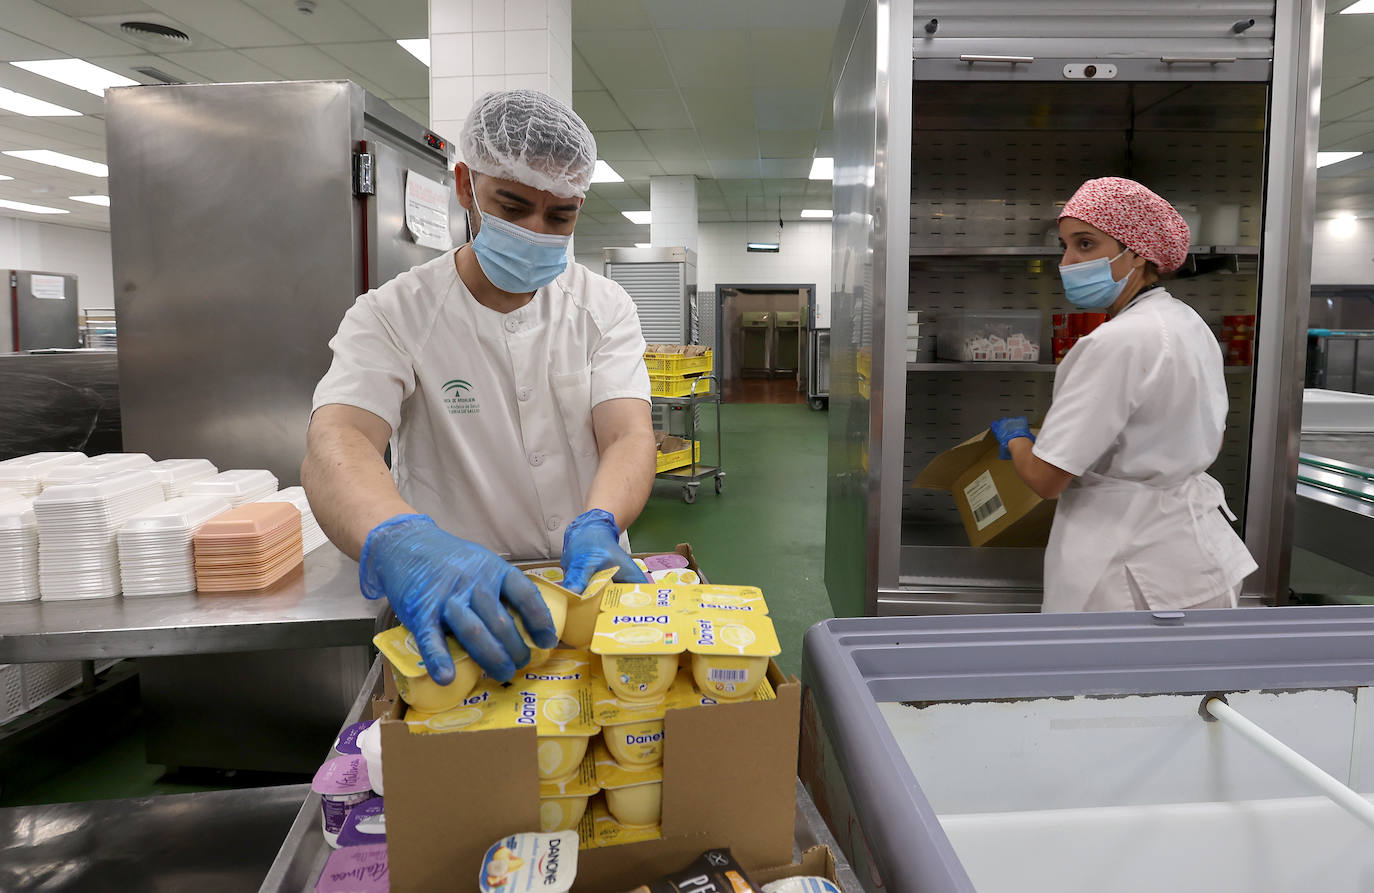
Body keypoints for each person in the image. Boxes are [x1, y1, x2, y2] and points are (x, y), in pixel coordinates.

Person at [302, 90, 655, 683]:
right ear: (465, 186)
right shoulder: (393, 313)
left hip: (587, 590)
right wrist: (399, 541)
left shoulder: (603, 306)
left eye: (560, 216)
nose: (537, 232)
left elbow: (627, 433)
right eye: (513, 208)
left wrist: (599, 520)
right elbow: (338, 438)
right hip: (457, 595)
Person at [989, 177, 1257, 613]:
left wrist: (1016, 439)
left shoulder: (1114, 342)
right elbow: (1208, 435)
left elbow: (1045, 480)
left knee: (1112, 682)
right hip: (1197, 552)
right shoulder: (1186, 323)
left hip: (1127, 570)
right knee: (1188, 680)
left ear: (1136, 253)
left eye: (1086, 245)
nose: (1067, 261)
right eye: (1066, 246)